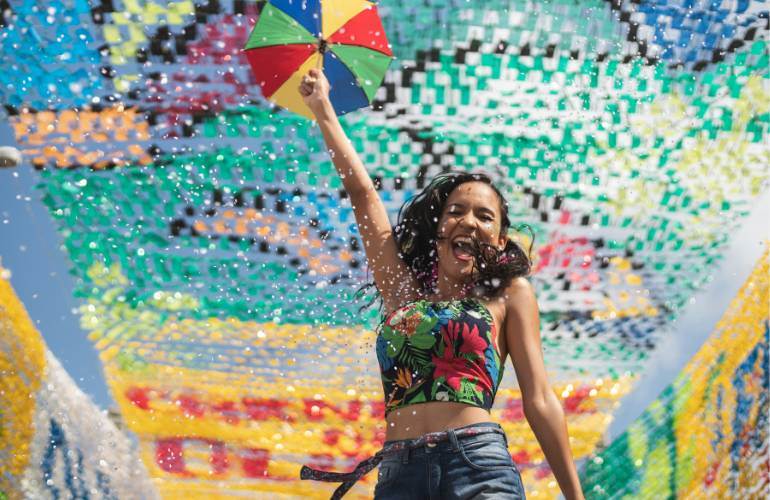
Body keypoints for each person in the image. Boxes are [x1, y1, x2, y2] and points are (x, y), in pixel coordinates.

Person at [297, 68, 584, 500]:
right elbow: (362, 194)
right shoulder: (401, 290)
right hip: (398, 475)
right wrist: (323, 110)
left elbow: (539, 398)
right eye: (456, 211)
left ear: (500, 239)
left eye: (484, 216)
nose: (468, 220)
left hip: (477, 465)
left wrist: (574, 497)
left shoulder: (508, 295)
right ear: (439, 228)